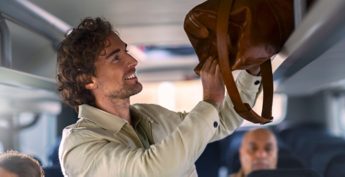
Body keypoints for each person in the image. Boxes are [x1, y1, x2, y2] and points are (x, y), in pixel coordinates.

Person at [57, 17, 263, 177]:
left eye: (126, 51)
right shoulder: (79, 146)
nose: (133, 60)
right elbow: (153, 170)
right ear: (88, 80)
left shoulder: (149, 115)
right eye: (116, 57)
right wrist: (209, 101)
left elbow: (221, 121)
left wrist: (252, 70)